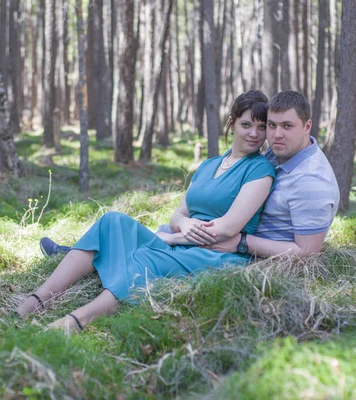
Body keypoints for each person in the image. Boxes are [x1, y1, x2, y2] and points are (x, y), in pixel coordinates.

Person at [17, 90, 276, 333]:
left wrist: (174, 236)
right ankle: (39, 299)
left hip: (214, 255)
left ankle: (75, 322)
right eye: (246, 124)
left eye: (261, 127)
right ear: (231, 123)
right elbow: (177, 216)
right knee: (111, 222)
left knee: (146, 259)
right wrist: (181, 227)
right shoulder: (209, 165)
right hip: (183, 242)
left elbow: (227, 229)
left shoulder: (260, 170)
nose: (254, 133)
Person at [204, 90, 340, 257]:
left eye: (287, 126)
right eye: (271, 125)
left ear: (307, 127)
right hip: (223, 238)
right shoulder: (276, 154)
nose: (277, 135)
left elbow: (307, 253)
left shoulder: (311, 180)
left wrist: (242, 242)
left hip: (251, 261)